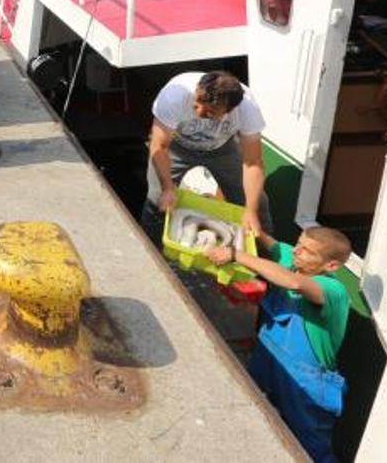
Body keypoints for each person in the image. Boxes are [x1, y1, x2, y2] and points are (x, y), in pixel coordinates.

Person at [206, 227, 352, 461]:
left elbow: (293, 283)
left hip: (305, 383)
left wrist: (236, 254)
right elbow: (265, 239)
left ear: (331, 265)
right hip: (267, 359)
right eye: (299, 244)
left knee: (312, 450)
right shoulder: (292, 258)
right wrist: (248, 222)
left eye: (308, 252)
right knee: (251, 412)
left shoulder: (334, 290)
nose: (296, 252)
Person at [142, 71, 273, 240]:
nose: (200, 112)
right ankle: (151, 246)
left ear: (231, 109)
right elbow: (159, 146)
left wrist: (251, 210)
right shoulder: (174, 96)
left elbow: (252, 162)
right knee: (157, 198)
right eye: (197, 104)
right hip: (176, 147)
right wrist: (168, 188)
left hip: (222, 149)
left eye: (210, 112)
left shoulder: (247, 109)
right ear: (197, 89)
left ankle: (266, 254)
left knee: (258, 203)